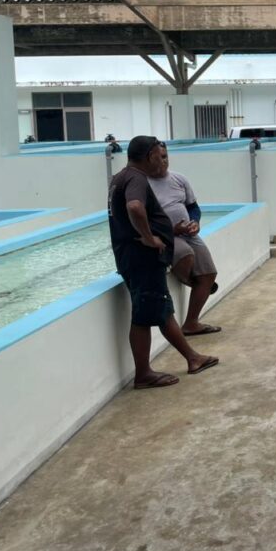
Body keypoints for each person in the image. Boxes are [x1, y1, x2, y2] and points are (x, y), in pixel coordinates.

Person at [108, 136, 219, 389]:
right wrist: (150, 238)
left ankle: (191, 358)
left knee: (158, 311)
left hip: (131, 256)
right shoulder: (136, 179)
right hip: (142, 257)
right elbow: (135, 207)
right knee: (147, 315)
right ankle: (145, 373)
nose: (163, 161)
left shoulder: (119, 178)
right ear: (149, 156)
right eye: (160, 156)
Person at [147, 143, 221, 336]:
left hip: (188, 233)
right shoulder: (143, 185)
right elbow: (143, 220)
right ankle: (189, 280)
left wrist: (195, 222)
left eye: (165, 156)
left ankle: (191, 323)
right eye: (157, 157)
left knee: (209, 273)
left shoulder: (179, 179)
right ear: (148, 160)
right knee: (186, 255)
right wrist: (172, 229)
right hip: (166, 236)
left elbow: (193, 207)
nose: (163, 161)